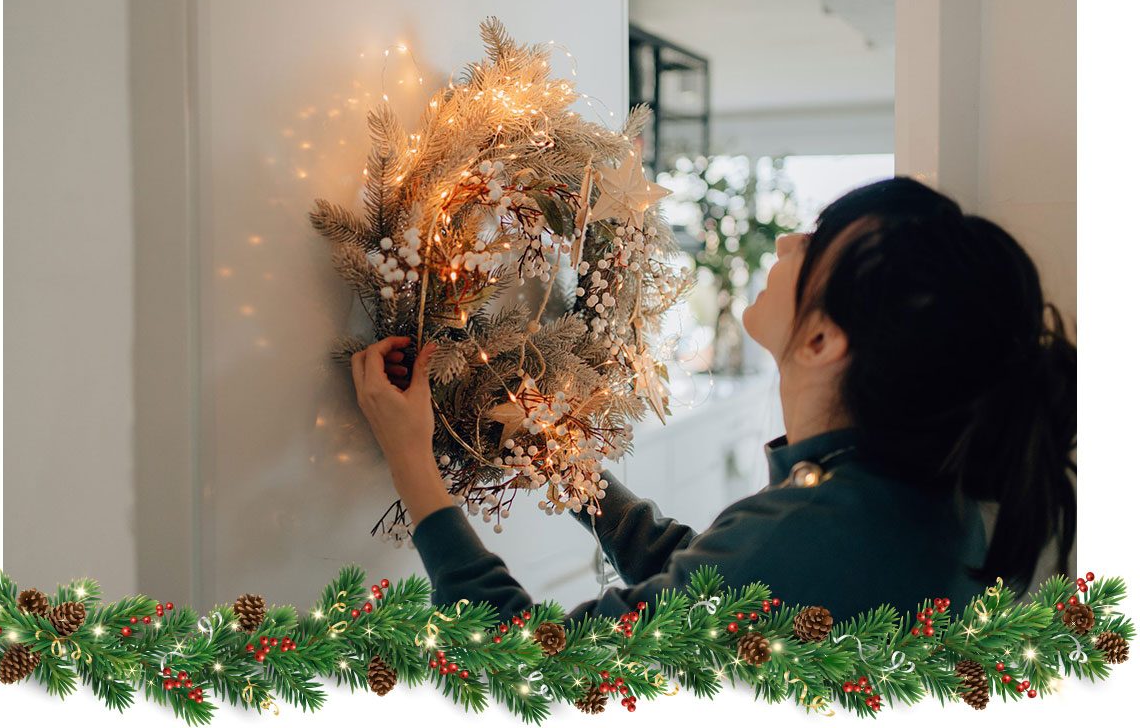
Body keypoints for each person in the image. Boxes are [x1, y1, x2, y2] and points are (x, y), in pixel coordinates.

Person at [349, 176, 1076, 624]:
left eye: (818, 242)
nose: (791, 240)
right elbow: (710, 578)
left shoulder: (823, 531)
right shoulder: (894, 499)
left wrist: (413, 464)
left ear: (823, 342)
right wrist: (571, 463)